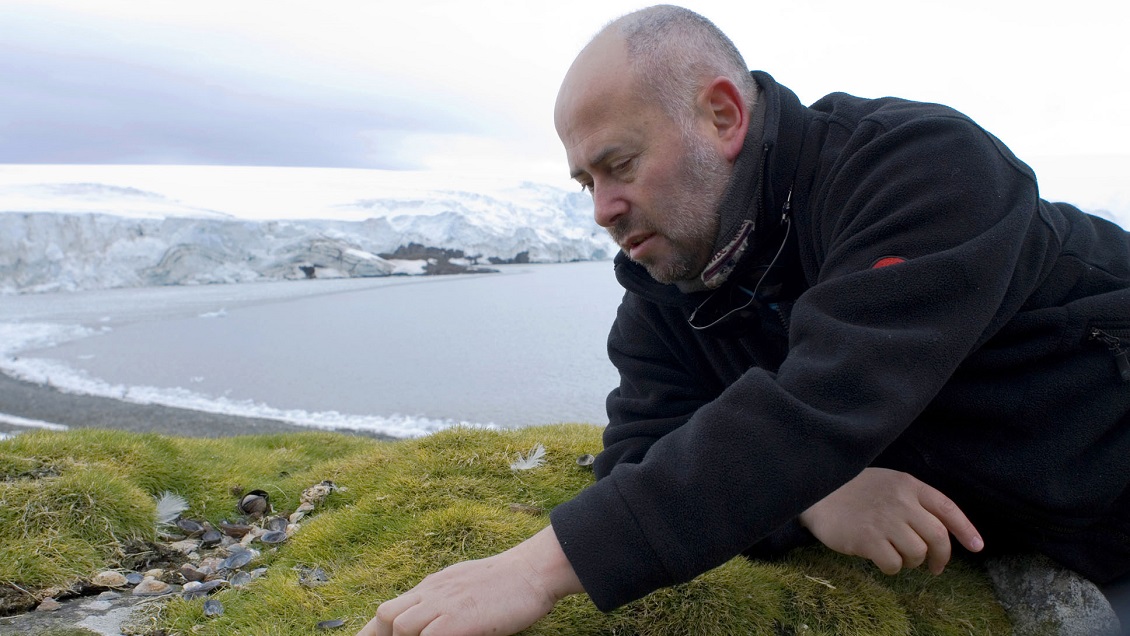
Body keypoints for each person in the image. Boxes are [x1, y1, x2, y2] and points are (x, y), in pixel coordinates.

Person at [359, 5, 1130, 635]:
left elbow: (823, 403)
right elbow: (637, 454)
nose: (601, 210)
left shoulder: (919, 169)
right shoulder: (667, 291)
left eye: (619, 165)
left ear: (722, 115)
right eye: (585, 180)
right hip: (1011, 549)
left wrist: (532, 569)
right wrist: (814, 495)